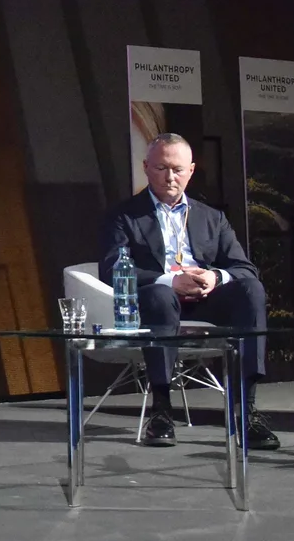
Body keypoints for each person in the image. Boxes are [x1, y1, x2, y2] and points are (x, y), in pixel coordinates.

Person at [98, 134, 278, 449]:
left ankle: (246, 411)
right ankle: (162, 410)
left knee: (251, 289)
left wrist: (215, 277)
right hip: (156, 304)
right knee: (159, 295)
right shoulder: (124, 215)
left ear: (191, 170)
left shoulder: (212, 217)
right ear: (146, 168)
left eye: (178, 169)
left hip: (206, 300)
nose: (170, 177)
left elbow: (244, 267)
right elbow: (112, 268)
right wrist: (169, 280)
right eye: (161, 168)